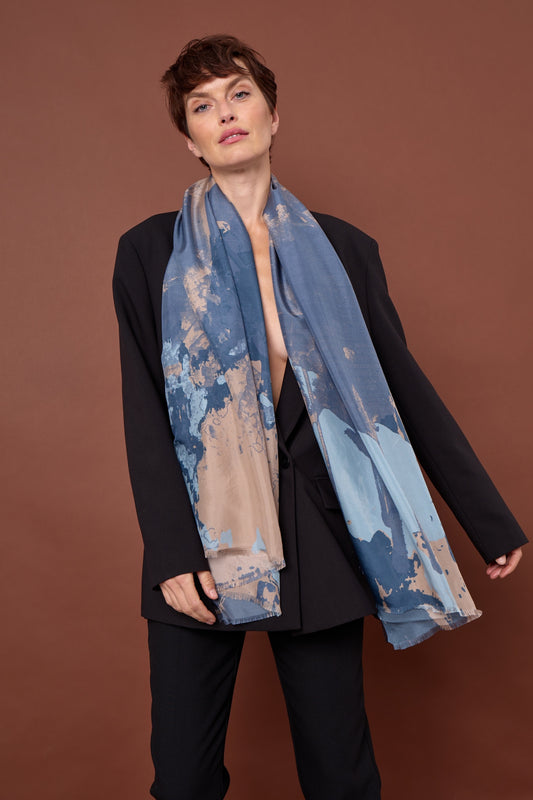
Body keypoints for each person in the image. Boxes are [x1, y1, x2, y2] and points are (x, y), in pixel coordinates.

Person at [112, 34, 527, 800]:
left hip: (318, 536)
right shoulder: (148, 253)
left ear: (272, 116)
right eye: (202, 105)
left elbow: (400, 391)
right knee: (183, 778)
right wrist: (171, 553)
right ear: (188, 138)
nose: (224, 113)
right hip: (202, 538)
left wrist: (486, 520)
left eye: (239, 94)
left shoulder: (344, 249)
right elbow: (144, 408)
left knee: (339, 774)